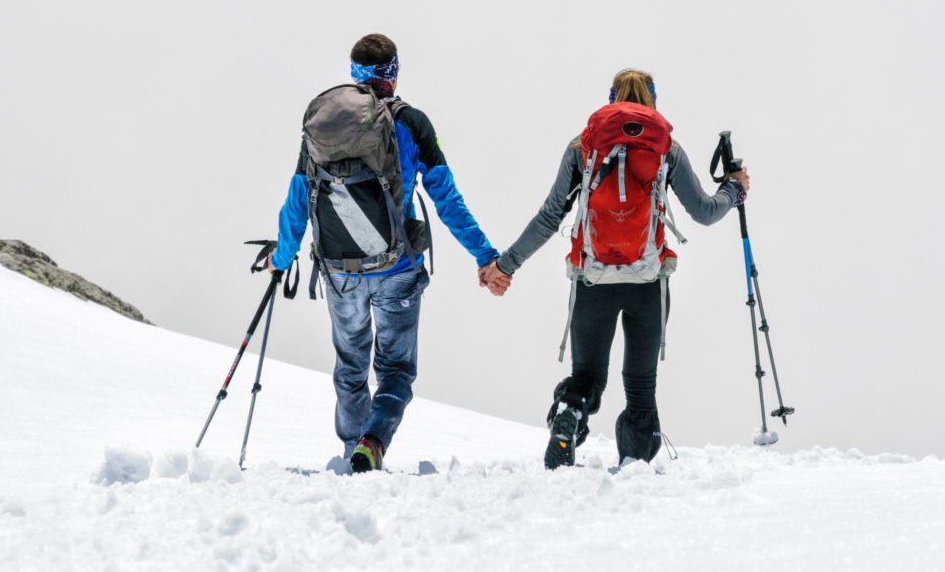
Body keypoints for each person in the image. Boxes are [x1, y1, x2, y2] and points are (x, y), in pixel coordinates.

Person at [479, 69, 749, 469]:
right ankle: (634, 466)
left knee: (587, 374)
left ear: (610, 99)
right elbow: (705, 213)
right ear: (653, 101)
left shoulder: (582, 146)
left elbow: (550, 216)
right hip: (647, 281)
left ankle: (570, 414)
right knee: (640, 386)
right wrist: (734, 189)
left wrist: (505, 265)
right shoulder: (665, 148)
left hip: (593, 278)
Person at [270, 33, 503, 472]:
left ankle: (350, 450)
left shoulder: (322, 126)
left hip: (339, 271)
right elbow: (446, 199)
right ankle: (373, 442)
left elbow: (298, 200)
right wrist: (484, 255)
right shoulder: (412, 123)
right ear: (393, 75)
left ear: (354, 73)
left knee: (351, 364)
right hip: (397, 266)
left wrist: (281, 260)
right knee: (395, 369)